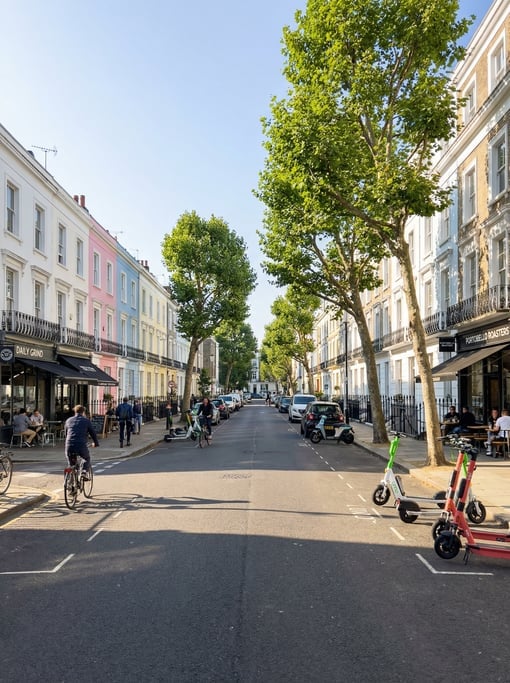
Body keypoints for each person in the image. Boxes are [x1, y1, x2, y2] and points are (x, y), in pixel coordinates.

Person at [64, 405, 99, 478]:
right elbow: (92, 433)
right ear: (83, 412)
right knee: (86, 458)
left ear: (75, 411)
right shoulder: (86, 421)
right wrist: (96, 443)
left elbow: (66, 433)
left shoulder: (68, 420)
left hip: (69, 445)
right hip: (81, 445)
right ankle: (83, 472)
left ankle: (70, 479)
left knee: (71, 463)